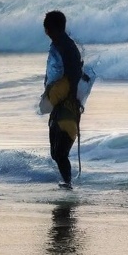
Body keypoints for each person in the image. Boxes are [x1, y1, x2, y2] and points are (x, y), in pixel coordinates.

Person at [42, 10, 83, 189]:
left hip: (68, 107)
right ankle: (67, 182)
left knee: (60, 152)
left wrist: (72, 98)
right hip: (59, 105)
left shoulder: (66, 47)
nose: (46, 32)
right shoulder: (59, 45)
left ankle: (68, 183)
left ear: (52, 29)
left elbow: (74, 74)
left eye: (48, 28)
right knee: (55, 153)